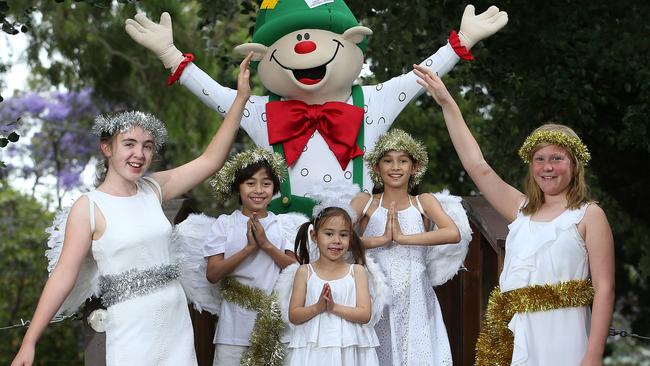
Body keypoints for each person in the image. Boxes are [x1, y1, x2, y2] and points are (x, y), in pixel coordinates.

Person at [11, 54, 254, 366]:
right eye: (129, 144)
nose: (139, 154)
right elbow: (62, 276)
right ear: (107, 148)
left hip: (175, 324)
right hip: (131, 332)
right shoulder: (89, 207)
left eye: (147, 146)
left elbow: (210, 160)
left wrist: (242, 99)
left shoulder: (152, 189)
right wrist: (29, 342)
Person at [414, 64, 615, 366]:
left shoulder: (588, 215)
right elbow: (477, 165)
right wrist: (447, 103)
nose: (547, 167)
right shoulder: (520, 209)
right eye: (540, 159)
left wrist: (593, 355)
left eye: (557, 159)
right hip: (514, 334)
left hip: (565, 335)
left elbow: (605, 288)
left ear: (574, 165)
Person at [350, 129, 461, 366]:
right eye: (388, 161)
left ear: (415, 166)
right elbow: (338, 240)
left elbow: (453, 233)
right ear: (377, 168)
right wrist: (381, 240)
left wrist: (402, 238)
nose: (395, 167)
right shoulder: (365, 201)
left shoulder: (423, 202)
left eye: (403, 160)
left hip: (415, 293)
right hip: (374, 291)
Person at [199, 147, 300, 366]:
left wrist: (266, 246)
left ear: (274, 188)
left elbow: (296, 270)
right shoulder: (224, 224)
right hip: (233, 329)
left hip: (276, 326)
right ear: (239, 187)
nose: (258, 190)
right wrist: (248, 249)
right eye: (250, 183)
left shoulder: (284, 225)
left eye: (266, 183)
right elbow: (213, 274)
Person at [286, 206, 380, 366]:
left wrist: (333, 307)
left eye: (343, 235)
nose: (336, 240)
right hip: (313, 349)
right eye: (329, 234)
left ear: (350, 238)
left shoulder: (357, 271)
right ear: (314, 236)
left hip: (349, 347)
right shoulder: (304, 271)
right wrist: (317, 307)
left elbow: (365, 314)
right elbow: (294, 315)